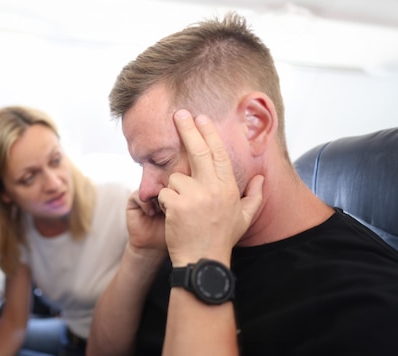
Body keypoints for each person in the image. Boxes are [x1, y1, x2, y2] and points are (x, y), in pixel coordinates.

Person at [86, 12, 398, 356]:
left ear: (255, 124)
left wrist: (201, 259)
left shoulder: (365, 305)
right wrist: (142, 253)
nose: (145, 191)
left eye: (160, 160)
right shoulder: (181, 228)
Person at [0, 106, 132, 356]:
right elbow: (13, 323)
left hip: (100, 346)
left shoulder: (119, 202)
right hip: (70, 331)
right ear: (4, 193)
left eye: (56, 160)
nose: (54, 184)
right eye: (29, 178)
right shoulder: (19, 227)